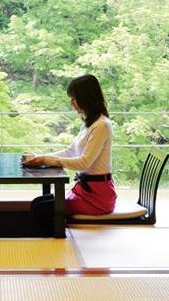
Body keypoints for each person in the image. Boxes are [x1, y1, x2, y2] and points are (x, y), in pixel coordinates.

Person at [23, 74, 117, 236]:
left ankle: (54, 243)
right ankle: (49, 241)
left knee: (42, 208)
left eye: (74, 98)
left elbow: (84, 162)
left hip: (97, 197)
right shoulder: (89, 123)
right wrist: (42, 158)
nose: (71, 103)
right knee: (39, 203)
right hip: (85, 192)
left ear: (86, 98)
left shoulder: (102, 125)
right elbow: (70, 151)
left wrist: (47, 160)